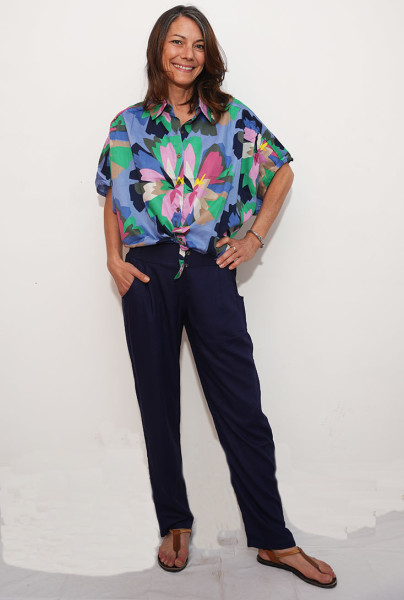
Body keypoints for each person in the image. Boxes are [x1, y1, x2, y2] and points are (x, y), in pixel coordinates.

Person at [95, 4, 337, 589]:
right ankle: (174, 524)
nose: (187, 54)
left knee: (242, 406)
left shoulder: (230, 117)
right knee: (157, 404)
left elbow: (282, 170)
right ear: (159, 49)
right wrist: (113, 260)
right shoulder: (127, 124)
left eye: (198, 44)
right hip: (147, 272)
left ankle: (274, 538)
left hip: (209, 268)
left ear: (208, 55)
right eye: (177, 42)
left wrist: (254, 237)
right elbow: (111, 193)